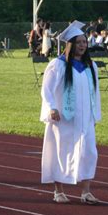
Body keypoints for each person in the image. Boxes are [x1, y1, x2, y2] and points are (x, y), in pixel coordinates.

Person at [40, 20, 102, 205]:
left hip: (85, 119)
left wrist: (94, 114)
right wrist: (51, 107)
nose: (83, 45)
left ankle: (86, 192)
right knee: (61, 151)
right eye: (79, 42)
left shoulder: (91, 66)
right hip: (63, 118)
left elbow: (95, 92)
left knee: (89, 152)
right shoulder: (57, 65)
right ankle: (58, 190)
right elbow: (46, 89)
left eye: (84, 42)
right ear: (71, 44)